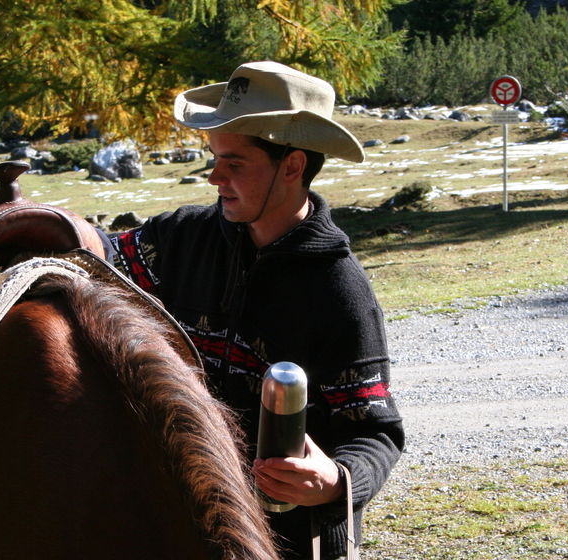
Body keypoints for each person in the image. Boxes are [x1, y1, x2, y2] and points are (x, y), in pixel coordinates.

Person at [105, 61, 405, 559]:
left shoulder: (339, 290)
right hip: (183, 524)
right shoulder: (181, 237)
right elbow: (98, 260)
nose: (214, 177)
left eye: (235, 164)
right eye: (215, 158)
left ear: (292, 166)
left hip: (291, 540)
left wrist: (335, 480)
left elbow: (375, 432)